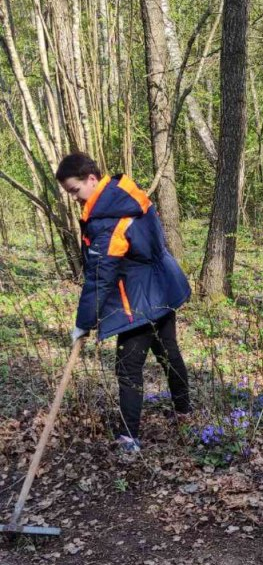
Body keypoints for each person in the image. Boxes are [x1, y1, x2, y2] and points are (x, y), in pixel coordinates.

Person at [56, 153, 192, 454]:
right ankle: (184, 412)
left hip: (138, 301)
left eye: (75, 190)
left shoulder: (108, 218)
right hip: (162, 287)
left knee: (128, 369)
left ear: (92, 179)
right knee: (168, 353)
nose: (74, 198)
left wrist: (84, 321)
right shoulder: (126, 194)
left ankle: (129, 438)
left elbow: (100, 275)